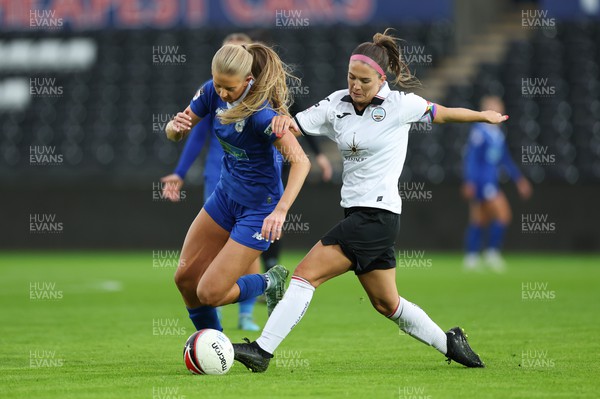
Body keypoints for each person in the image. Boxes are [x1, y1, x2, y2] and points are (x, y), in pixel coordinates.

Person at [232, 29, 509, 372]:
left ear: (381, 79)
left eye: (364, 80)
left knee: (305, 275)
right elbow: (293, 126)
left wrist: (483, 116)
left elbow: (445, 112)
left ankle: (262, 351)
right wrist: (267, 115)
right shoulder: (336, 104)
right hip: (359, 213)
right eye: (351, 77)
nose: (356, 85)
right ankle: (452, 343)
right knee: (386, 303)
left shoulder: (400, 105)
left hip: (377, 215)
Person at [165, 42, 311, 334]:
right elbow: (174, 133)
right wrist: (175, 128)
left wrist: (281, 211)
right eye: (218, 84)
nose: (222, 93)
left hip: (258, 211)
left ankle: (269, 281)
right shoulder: (210, 91)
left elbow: (301, 163)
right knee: (184, 280)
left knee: (210, 293)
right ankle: (212, 344)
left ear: (248, 80)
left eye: (229, 88)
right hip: (224, 198)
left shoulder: (262, 116)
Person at [161, 33, 262, 331]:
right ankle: (214, 337)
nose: (223, 90)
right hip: (218, 182)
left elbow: (290, 148)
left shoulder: (261, 103)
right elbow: (192, 132)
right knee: (193, 275)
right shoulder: (213, 93)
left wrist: (279, 204)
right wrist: (175, 138)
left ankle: (246, 313)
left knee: (232, 264)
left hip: (251, 192)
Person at [462, 95, 532, 272]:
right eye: (493, 108)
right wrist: (470, 181)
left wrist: (519, 179)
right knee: (503, 215)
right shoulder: (479, 131)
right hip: (483, 182)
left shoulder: (498, 133)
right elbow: (471, 158)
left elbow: (505, 159)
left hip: (491, 181)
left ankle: (472, 256)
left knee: (480, 218)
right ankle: (490, 253)